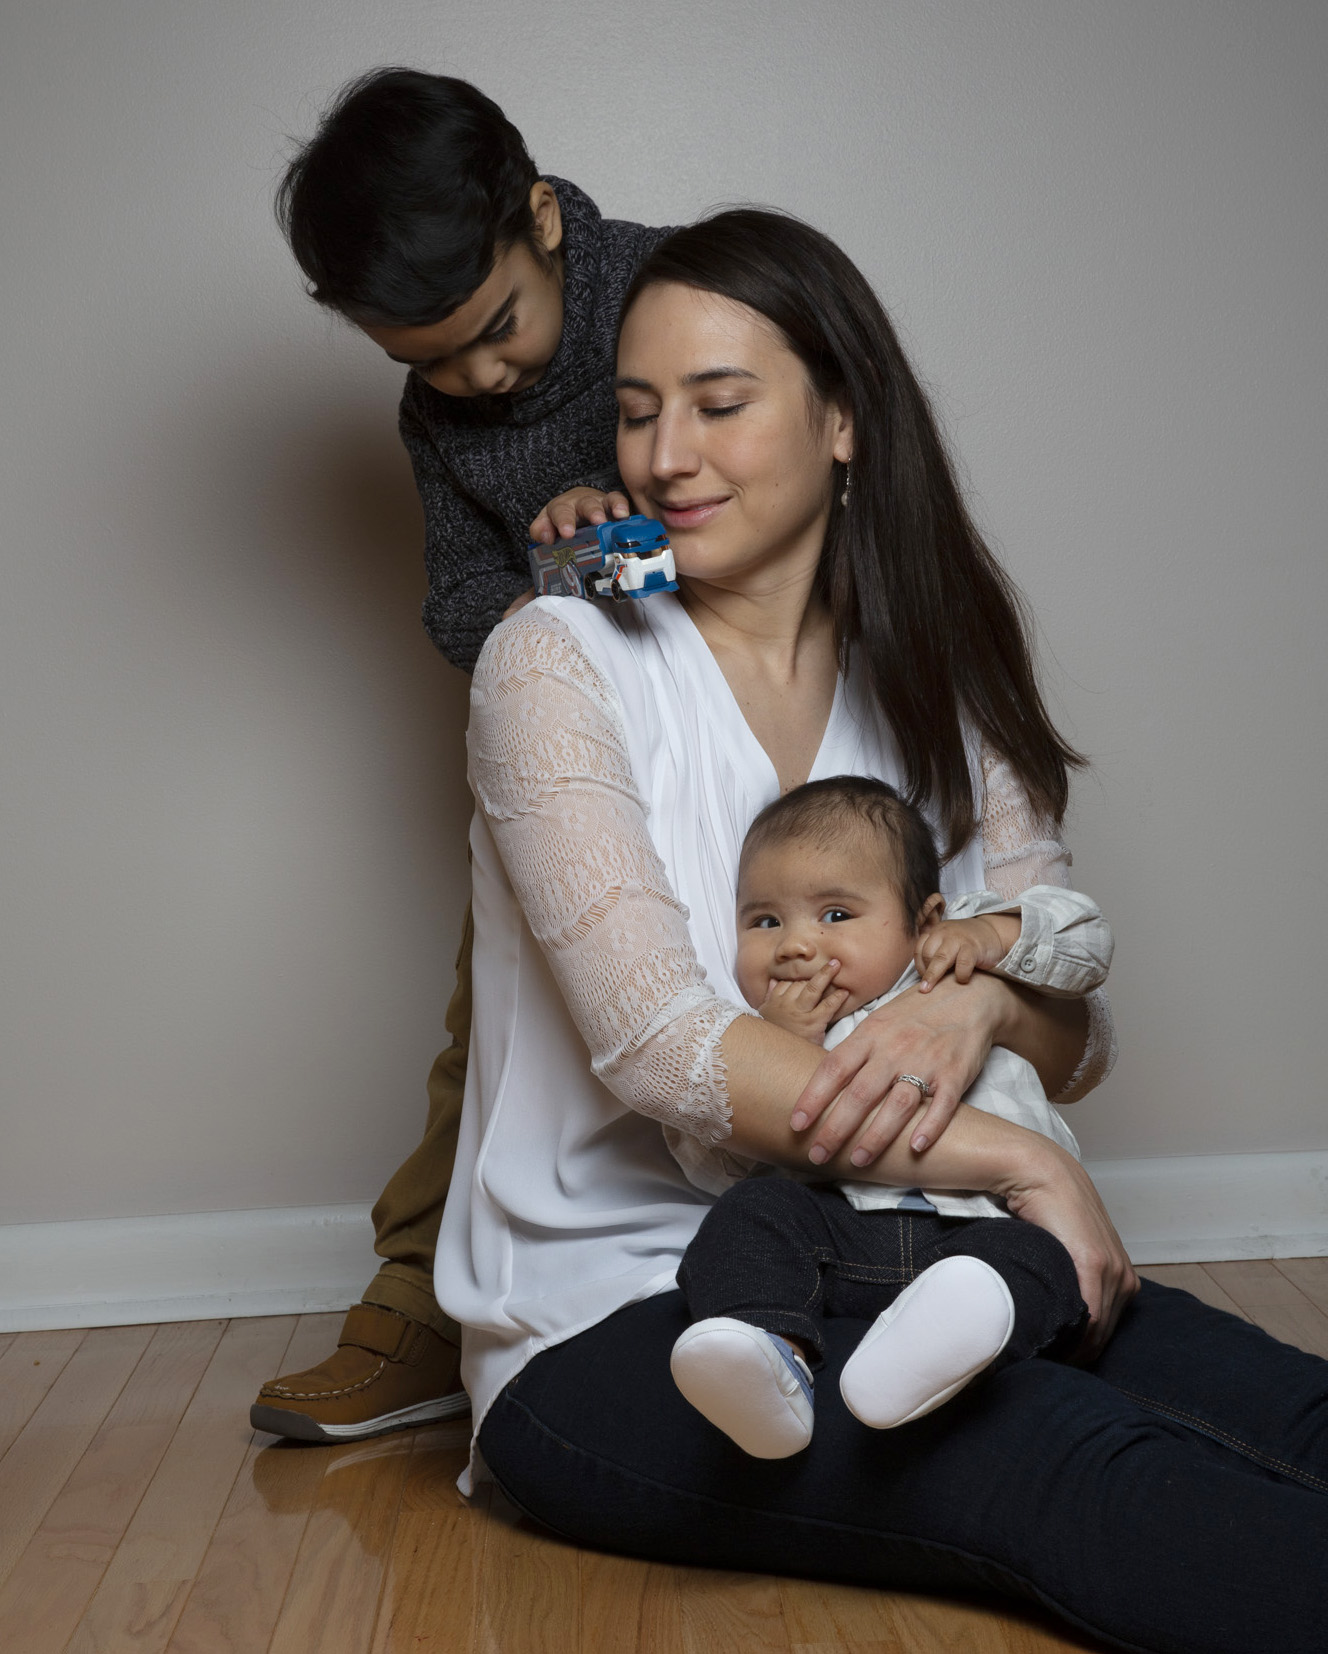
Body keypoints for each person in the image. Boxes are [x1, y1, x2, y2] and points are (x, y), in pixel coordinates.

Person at [441, 209, 1328, 1652]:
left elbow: (1070, 1023)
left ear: (843, 417)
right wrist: (1018, 1155)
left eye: (721, 404)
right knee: (1076, 1462)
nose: (665, 457)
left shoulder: (935, 679)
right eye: (638, 410)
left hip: (924, 1251)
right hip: (616, 1315)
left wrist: (971, 1007)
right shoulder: (556, 662)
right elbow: (670, 1052)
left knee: (1283, 1405)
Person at [251, 69, 671, 1440]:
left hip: (771, 734)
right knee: (497, 1009)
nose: (476, 376)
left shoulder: (683, 293)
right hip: (576, 757)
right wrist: (554, 577)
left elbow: (799, 522)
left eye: (493, 329)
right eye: (424, 358)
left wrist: (619, 541)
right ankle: (425, 1301)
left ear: (541, 217)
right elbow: (453, 611)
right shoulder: (441, 416)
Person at [670, 774, 1109, 1457]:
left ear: (924, 922)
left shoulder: (952, 970)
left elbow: (1086, 937)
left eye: (836, 915)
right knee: (748, 1216)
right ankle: (769, 1356)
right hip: (842, 1240)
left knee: (1042, 1261)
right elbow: (708, 1160)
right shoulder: (758, 1037)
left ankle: (925, 1360)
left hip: (980, 1227)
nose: (795, 945)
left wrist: (993, 934)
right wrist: (783, 1048)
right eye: (765, 920)